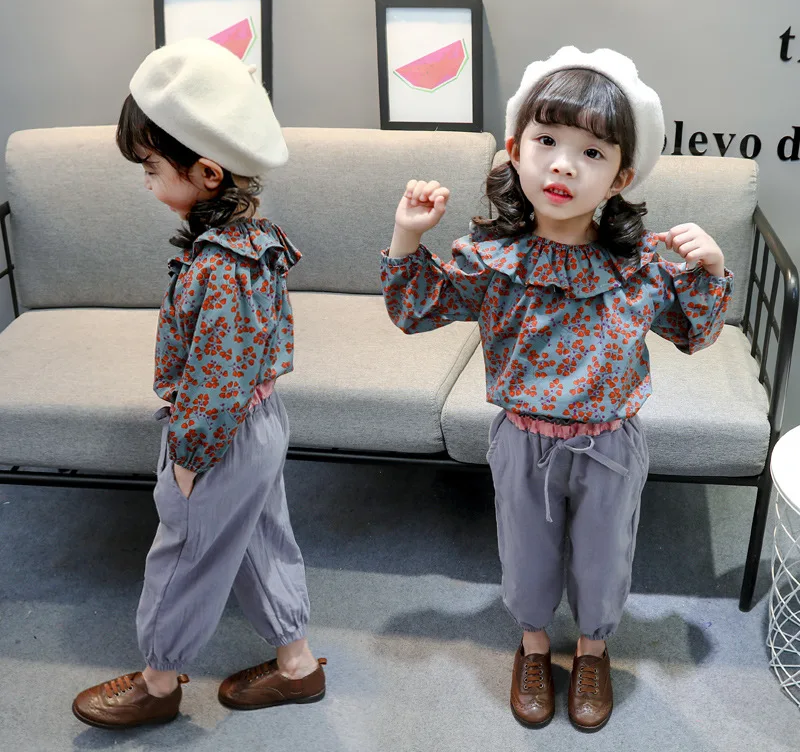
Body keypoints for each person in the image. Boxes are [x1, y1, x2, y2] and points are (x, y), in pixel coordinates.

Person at [380, 46, 732, 732]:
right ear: (515, 151)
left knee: (604, 557)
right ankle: (535, 647)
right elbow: (415, 309)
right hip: (522, 441)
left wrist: (710, 269)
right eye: (547, 141)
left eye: (591, 152)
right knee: (526, 553)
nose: (564, 165)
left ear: (620, 176)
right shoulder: (491, 259)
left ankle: (593, 651)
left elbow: (694, 333)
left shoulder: (639, 269)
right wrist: (406, 234)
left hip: (611, 445)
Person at [72, 38, 326, 730]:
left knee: (185, 549)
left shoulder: (222, 266)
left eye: (152, 167)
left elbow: (217, 378)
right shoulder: (248, 242)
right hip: (256, 422)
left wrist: (188, 454)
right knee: (259, 538)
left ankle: (158, 681)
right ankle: (297, 666)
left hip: (221, 433)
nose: (146, 181)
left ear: (207, 173)